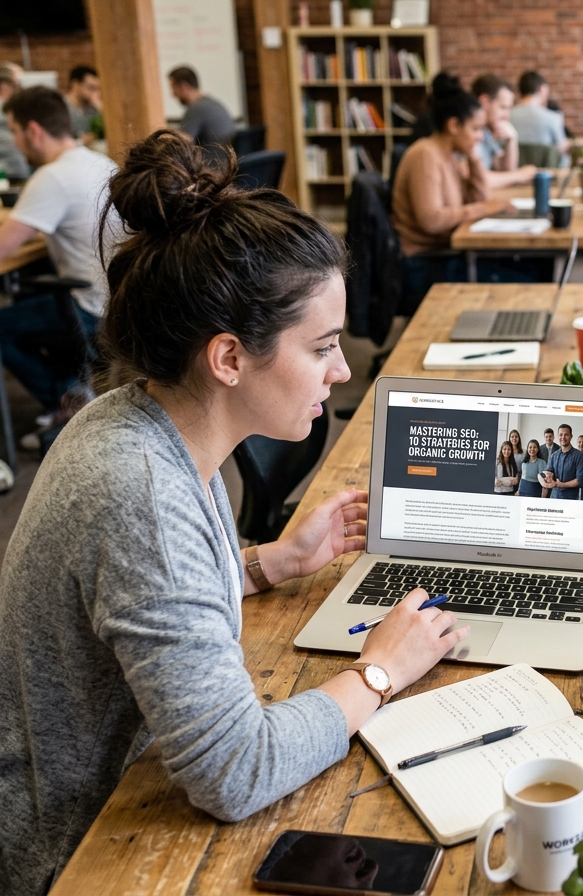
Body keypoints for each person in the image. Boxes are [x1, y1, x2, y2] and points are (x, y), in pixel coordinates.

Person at [0, 130, 469, 895]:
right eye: (321, 348)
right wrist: (381, 671)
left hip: (138, 785)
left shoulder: (147, 419)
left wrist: (268, 563)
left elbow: (135, 602)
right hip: (82, 850)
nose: (343, 370)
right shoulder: (141, 493)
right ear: (228, 358)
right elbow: (235, 769)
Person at [0, 87, 117, 436]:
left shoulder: (50, 178)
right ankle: (71, 383)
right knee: (32, 292)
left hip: (91, 306)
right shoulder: (98, 161)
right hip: (118, 297)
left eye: (15, 131)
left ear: (34, 130)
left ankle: (64, 396)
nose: (16, 142)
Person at [391, 73, 505, 302]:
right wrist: (482, 210)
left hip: (443, 254)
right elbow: (431, 220)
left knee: (526, 268)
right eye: (475, 129)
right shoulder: (426, 155)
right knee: (525, 276)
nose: (480, 137)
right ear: (453, 125)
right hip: (423, 263)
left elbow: (480, 197)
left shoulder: (450, 156)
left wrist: (474, 160)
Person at [470, 74, 537, 189]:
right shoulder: (466, 130)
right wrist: (519, 175)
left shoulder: (485, 131)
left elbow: (503, 169)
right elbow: (476, 180)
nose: (507, 115)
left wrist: (512, 139)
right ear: (484, 102)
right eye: (503, 107)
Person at [168, 65, 237, 148]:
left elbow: (180, 143)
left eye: (173, 88)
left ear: (183, 86)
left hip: (212, 159)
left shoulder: (196, 109)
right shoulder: (212, 104)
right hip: (226, 157)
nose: (173, 94)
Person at [508, 71, 569, 160]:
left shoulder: (506, 117)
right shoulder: (553, 118)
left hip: (512, 171)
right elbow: (561, 152)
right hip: (545, 172)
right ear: (542, 89)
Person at [539, 423, 583, 499]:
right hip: (554, 497)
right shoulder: (554, 456)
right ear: (558, 436)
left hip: (571, 499)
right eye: (561, 435)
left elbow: (580, 480)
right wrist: (541, 477)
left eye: (566, 435)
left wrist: (560, 484)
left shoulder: (579, 456)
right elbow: (549, 473)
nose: (563, 437)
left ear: (571, 436)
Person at [0, 63, 30, 181]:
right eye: (17, 85)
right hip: (10, 172)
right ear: (4, 85)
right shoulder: (9, 110)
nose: (19, 90)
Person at [63, 65, 101, 142]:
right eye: (91, 88)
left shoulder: (93, 108)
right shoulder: (62, 107)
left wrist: (101, 108)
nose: (96, 93)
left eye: (97, 88)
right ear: (76, 85)